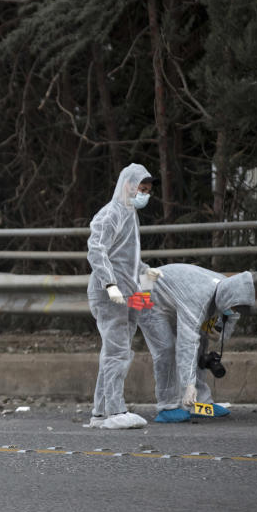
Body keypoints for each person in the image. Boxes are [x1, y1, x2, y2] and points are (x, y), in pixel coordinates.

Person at [86, 164, 163, 429]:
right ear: (128, 185)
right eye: (142, 188)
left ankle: (100, 412)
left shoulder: (130, 215)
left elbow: (127, 259)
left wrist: (146, 274)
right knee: (117, 352)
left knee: (116, 350)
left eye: (148, 190)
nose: (145, 194)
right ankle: (115, 411)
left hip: (129, 293)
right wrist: (109, 284)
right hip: (111, 294)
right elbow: (97, 250)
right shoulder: (111, 214)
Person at [138, 264, 255, 423]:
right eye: (233, 308)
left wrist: (219, 336)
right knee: (166, 349)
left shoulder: (230, 290)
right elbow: (187, 343)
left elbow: (231, 318)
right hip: (142, 294)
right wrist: (189, 385)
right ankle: (167, 406)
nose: (234, 311)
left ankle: (199, 402)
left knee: (201, 342)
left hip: (169, 298)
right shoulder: (199, 298)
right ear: (226, 299)